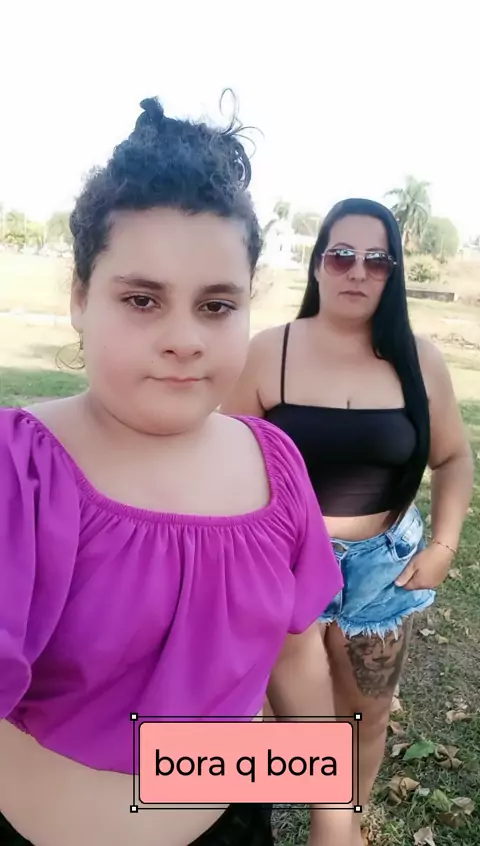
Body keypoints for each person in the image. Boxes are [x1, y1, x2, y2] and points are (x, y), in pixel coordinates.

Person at [0, 96, 355, 846]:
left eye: (217, 306)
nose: (184, 339)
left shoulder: (276, 467)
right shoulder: (19, 471)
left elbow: (296, 656)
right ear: (79, 298)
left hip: (232, 825)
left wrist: (334, 813)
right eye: (142, 299)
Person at [222, 197, 474, 825]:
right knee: (276, 718)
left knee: (368, 714)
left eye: (377, 260)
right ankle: (263, 817)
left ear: (393, 273)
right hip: (284, 568)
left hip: (382, 571)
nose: (358, 271)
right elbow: (226, 461)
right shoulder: (269, 352)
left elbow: (452, 458)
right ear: (317, 265)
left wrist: (443, 546)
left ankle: (343, 822)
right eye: (341, 255)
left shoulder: (419, 360)